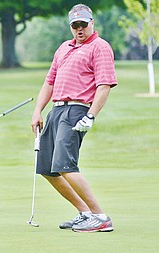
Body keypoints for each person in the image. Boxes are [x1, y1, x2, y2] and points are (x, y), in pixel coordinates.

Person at [31, 4, 117, 232]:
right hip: (56, 110)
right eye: (75, 25)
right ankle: (85, 212)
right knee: (47, 168)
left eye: (83, 24)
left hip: (77, 111)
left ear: (92, 23)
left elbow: (104, 85)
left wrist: (91, 116)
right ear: (70, 26)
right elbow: (49, 82)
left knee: (65, 165)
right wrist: (38, 110)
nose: (79, 29)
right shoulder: (63, 48)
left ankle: (101, 217)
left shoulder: (100, 47)